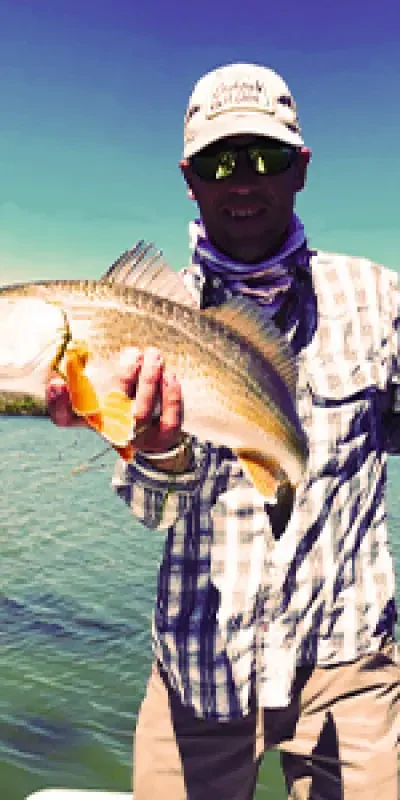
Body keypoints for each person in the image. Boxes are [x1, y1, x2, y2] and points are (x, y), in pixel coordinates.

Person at [47, 62, 399, 800]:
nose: (243, 180)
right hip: (198, 670)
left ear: (301, 169)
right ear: (189, 177)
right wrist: (157, 448)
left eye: (265, 157)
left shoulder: (380, 299)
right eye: (219, 161)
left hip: (349, 665)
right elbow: (151, 511)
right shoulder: (139, 318)